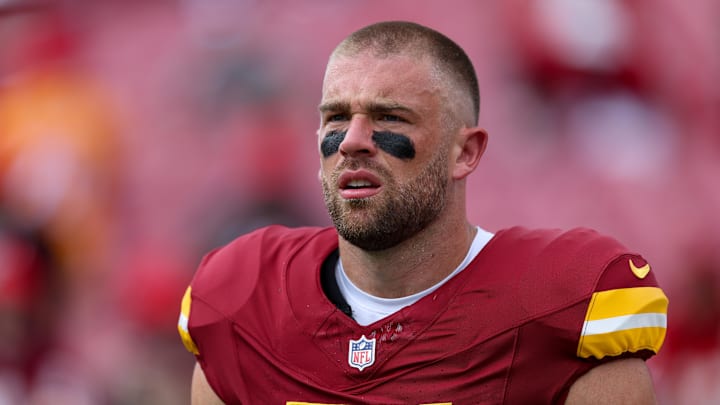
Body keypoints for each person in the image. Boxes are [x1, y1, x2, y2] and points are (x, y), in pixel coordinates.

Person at [178, 21, 669, 404]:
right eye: (336, 118)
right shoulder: (244, 300)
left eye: (389, 117)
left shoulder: (562, 305)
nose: (352, 141)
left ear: (465, 154)